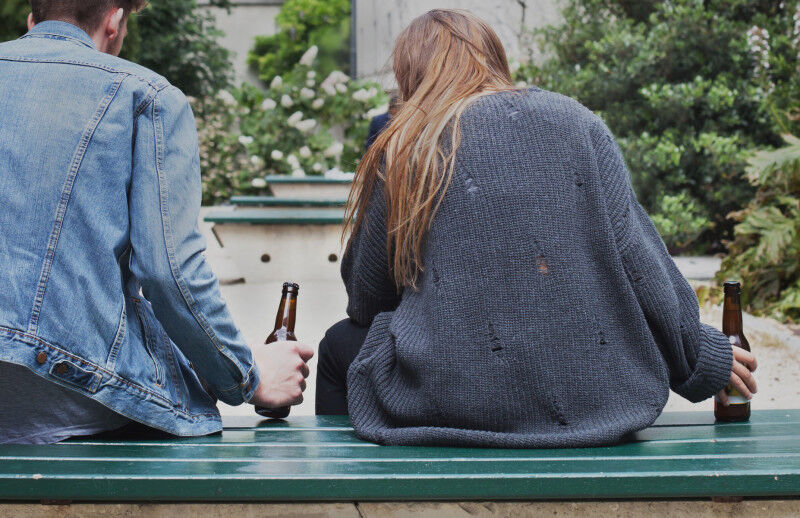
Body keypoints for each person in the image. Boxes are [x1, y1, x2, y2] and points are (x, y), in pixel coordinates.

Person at [315, 9, 758, 447]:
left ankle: (350, 491)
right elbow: (640, 265)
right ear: (492, 58)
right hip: (597, 403)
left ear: (410, 75)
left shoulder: (406, 145)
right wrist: (701, 359)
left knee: (338, 344)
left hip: (451, 398)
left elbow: (367, 300)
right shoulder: (577, 121)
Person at [0, 0, 313, 444]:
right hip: (72, 396)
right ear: (114, 20)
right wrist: (250, 376)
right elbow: (170, 274)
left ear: (33, 22)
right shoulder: (143, 95)